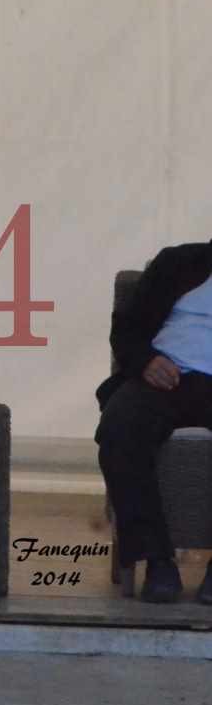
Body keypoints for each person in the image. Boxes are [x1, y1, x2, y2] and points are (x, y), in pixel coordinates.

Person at [95, 238, 212, 604]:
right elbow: (126, 329)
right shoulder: (178, 263)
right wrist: (145, 361)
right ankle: (157, 561)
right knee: (119, 427)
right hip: (165, 374)